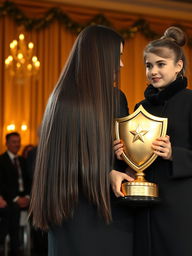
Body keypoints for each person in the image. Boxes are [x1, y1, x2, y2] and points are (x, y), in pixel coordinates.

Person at [29, 25, 134, 256]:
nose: (121, 65)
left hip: (90, 212)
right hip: (91, 214)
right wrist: (108, 172)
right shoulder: (82, 100)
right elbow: (62, 165)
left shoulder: (62, 99)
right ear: (100, 57)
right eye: (118, 57)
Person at [114, 26, 192, 256]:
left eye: (161, 64)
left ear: (178, 66)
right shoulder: (141, 107)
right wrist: (123, 155)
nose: (153, 71)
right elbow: (139, 159)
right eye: (149, 65)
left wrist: (173, 154)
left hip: (183, 210)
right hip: (146, 207)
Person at [0, 132, 31, 256]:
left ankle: (41, 247)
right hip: (10, 200)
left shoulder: (23, 161)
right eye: (14, 142)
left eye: (18, 142)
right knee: (13, 210)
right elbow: (2, 184)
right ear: (6, 143)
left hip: (26, 199)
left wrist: (28, 197)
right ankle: (15, 248)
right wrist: (16, 198)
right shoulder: (1, 161)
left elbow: (29, 181)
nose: (17, 144)